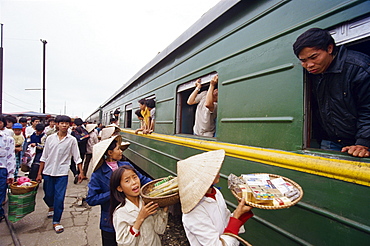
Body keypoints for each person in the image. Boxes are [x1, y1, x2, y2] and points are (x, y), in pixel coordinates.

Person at [293, 28, 370, 158]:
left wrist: (363, 142)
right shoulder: (313, 73)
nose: (309, 65)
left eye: (313, 57)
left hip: (359, 145)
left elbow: (368, 108)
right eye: (303, 61)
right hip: (330, 142)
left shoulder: (358, 68)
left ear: (329, 48)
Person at [86, 135, 152, 246]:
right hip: (110, 222)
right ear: (110, 153)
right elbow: (91, 199)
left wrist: (158, 184)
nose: (121, 151)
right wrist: (113, 193)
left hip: (133, 218)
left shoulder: (126, 166)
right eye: (118, 149)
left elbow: (143, 179)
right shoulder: (98, 174)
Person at [178, 149, 253, 246]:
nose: (218, 171)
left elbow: (225, 220)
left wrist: (241, 210)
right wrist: (236, 216)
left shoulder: (216, 193)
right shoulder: (193, 213)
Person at [36, 115, 84, 233]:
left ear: (69, 125)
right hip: (48, 171)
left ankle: (56, 221)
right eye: (61, 123)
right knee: (48, 195)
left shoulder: (72, 140)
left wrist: (81, 172)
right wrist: (39, 173)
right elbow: (44, 156)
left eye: (66, 123)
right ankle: (51, 206)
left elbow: (77, 157)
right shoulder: (50, 138)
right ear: (57, 124)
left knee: (59, 197)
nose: (64, 125)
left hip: (62, 173)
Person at [109, 165, 168, 246]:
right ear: (120, 188)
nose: (134, 182)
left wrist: (164, 210)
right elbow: (124, 242)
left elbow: (159, 230)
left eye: (135, 177)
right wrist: (140, 218)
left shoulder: (147, 202)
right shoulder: (121, 212)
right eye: (127, 181)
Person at [0, 115, 16, 223]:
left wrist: (11, 174)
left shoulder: (7, 139)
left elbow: (11, 157)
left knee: (1, 192)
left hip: (2, 169)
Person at [70, 118, 89, 183]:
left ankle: (75, 174)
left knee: (72, 163)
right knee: (80, 163)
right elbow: (87, 138)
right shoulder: (85, 131)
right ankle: (79, 173)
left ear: (74, 123)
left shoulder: (73, 132)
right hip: (82, 150)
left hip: (74, 150)